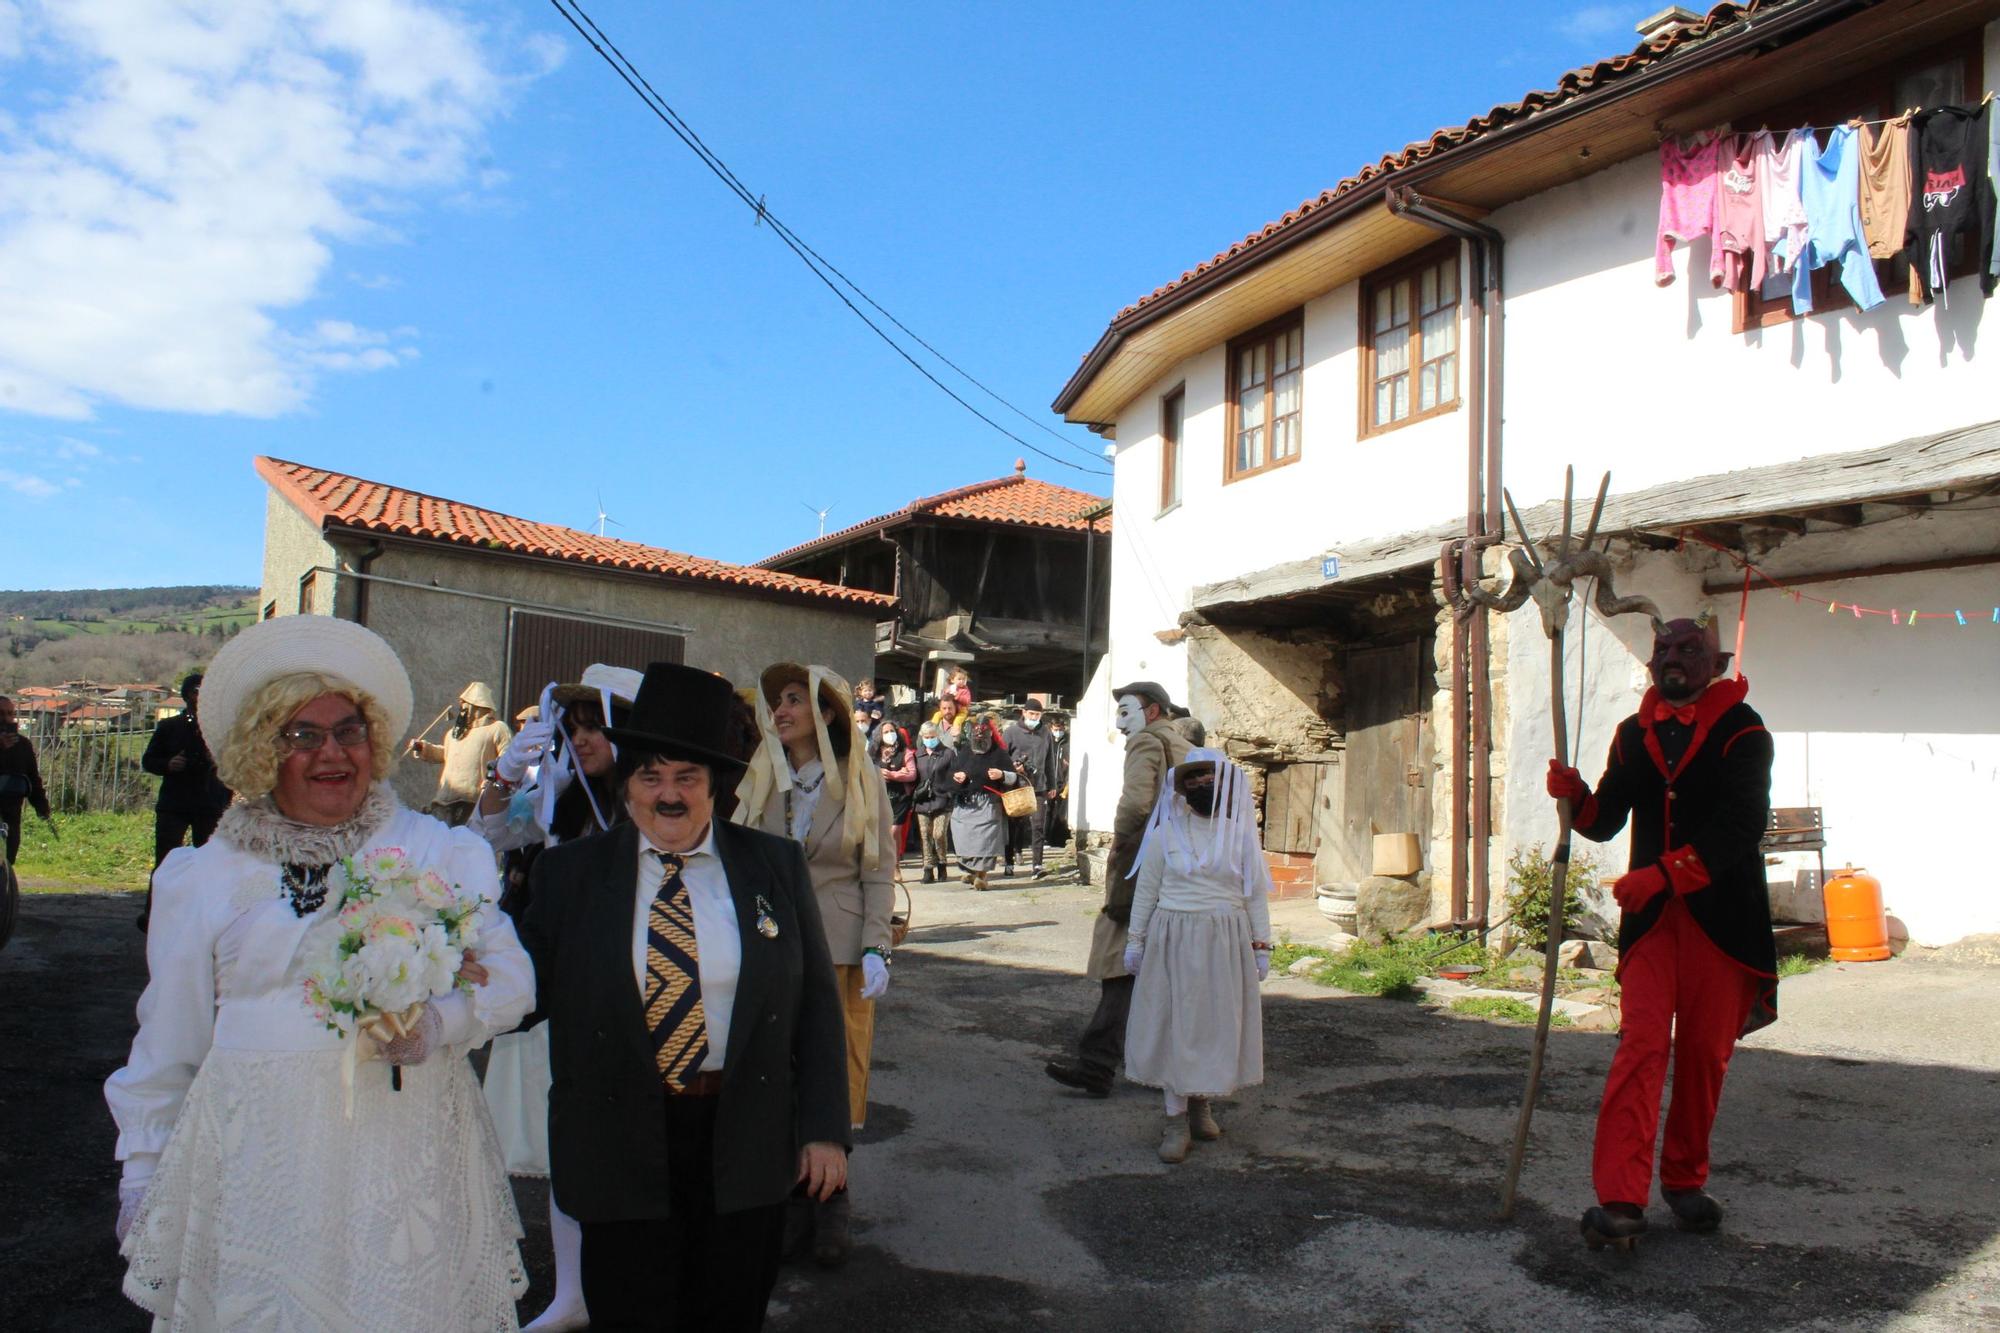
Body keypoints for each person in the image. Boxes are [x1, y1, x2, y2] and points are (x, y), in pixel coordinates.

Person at [105, 615, 535, 1329]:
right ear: (261, 748)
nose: (332, 752)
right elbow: (167, 1046)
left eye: (349, 731)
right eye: (303, 734)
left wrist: (437, 1023)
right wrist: (143, 1171)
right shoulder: (204, 874)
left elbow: (513, 979)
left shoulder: (433, 849)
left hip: (402, 1163)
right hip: (256, 1167)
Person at [519, 661, 849, 1330]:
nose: (668, 795)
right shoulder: (568, 875)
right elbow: (517, 993)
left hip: (745, 1138)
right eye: (650, 776)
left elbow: (816, 1004)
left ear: (714, 785)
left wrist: (822, 1128)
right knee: (631, 1314)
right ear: (629, 783)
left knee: (728, 1313)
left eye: (686, 778)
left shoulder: (773, 865)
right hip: (616, 1142)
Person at [1547, 615, 1777, 1250]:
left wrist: (1667, 875)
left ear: (1716, 661)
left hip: (1722, 925)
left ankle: (1684, 1180)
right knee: (1640, 1049)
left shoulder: (1745, 731)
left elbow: (1741, 825)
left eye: (1687, 649)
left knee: (1704, 1058)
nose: (1671, 658)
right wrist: (1577, 797)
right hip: (1652, 930)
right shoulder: (1632, 732)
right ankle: (1621, 1199)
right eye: (1663, 649)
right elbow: (1604, 821)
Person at [470, 663, 642, 1333]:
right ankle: (571, 1292)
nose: (581, 737)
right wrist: (508, 772)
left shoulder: (661, 796)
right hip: (565, 995)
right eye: (572, 726)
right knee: (567, 1146)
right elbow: (488, 829)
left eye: (593, 723)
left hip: (638, 1000)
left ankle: (629, 1285)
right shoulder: (560, 797)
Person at [734, 662, 894, 1267]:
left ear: (825, 713)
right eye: (776, 701)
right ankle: (793, 1198)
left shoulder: (858, 775)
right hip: (772, 943)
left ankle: (834, 1201)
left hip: (839, 941)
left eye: (794, 700)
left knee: (836, 1068)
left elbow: (877, 866)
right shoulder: (764, 777)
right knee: (778, 1065)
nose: (780, 710)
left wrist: (877, 944)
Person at [1045, 680, 1193, 1098]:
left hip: (1143, 871)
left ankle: (1097, 1064)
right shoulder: (1182, 745)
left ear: (1152, 712)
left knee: (1121, 966)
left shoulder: (1148, 742)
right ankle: (1167, 1067)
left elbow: (1135, 805)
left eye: (1127, 712)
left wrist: (1121, 854)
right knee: (1160, 971)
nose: (1121, 724)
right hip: (1177, 870)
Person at [1122, 752, 1272, 1163]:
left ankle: (1201, 1106)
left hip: (1224, 941)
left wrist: (1262, 945)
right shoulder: (1164, 836)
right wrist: (1136, 941)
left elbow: (1254, 895)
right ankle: (1174, 1120)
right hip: (1175, 937)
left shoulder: (1239, 837)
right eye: (1194, 780)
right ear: (1182, 789)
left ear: (1223, 788)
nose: (1202, 786)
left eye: (1210, 779)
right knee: (1177, 1026)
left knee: (1211, 1025)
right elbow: (1147, 891)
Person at [138, 672, 233, 930]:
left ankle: (206, 917)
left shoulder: (222, 730)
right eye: (194, 691)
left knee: (210, 862)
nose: (199, 696)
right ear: (186, 696)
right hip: (175, 803)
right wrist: (169, 764)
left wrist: (220, 764)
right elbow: (149, 761)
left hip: (210, 802)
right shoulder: (170, 727)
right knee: (166, 862)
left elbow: (239, 763)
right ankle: (154, 916)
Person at [407, 681, 512, 825]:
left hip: (473, 800)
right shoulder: (453, 734)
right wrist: (423, 748)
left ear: (478, 707)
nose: (462, 709)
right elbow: (444, 754)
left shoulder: (496, 729)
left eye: (466, 705)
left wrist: (494, 783)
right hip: (444, 799)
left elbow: (507, 757)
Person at [946, 713, 1020, 891]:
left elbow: (1014, 777)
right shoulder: (964, 752)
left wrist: (1002, 775)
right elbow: (951, 773)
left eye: (983, 734)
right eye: (976, 734)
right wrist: (958, 776)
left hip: (988, 805)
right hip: (965, 803)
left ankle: (981, 875)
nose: (979, 737)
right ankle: (971, 870)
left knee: (984, 842)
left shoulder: (999, 754)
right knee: (962, 837)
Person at [1000, 702, 1057, 880]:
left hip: (1038, 786)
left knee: (1038, 825)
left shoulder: (1046, 733)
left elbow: (1049, 760)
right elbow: (1001, 759)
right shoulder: (1011, 732)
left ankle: (1037, 865)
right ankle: (1009, 862)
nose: (1034, 718)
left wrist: (1052, 785)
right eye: (1031, 714)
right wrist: (1014, 767)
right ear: (1023, 713)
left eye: (1037, 715)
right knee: (1013, 825)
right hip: (1015, 786)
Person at [0, 696, 52, 867]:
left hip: (11, 809)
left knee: (8, 856)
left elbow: (33, 778)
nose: (6, 718)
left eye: (10, 714)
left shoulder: (23, 745)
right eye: (1, 713)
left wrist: (41, 806)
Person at [912, 720, 956, 884]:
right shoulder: (918, 755)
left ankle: (942, 863)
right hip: (923, 801)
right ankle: (927, 869)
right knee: (925, 836)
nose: (930, 739)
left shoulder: (948, 753)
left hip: (942, 800)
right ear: (922, 737)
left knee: (938, 834)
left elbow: (954, 776)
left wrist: (950, 794)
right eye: (926, 736)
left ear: (938, 736)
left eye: (933, 736)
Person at [873, 722, 917, 859]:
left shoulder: (905, 752)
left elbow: (912, 774)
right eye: (885, 732)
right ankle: (886, 861)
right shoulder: (874, 753)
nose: (889, 734)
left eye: (891, 731)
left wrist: (894, 775)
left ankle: (895, 863)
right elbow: (867, 770)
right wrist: (879, 772)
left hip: (900, 797)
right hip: (880, 795)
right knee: (883, 832)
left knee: (894, 830)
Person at [1045, 712, 1073, 850]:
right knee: (1047, 811)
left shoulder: (1068, 743)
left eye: (1061, 729)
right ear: (1051, 728)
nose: (1058, 732)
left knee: (1062, 812)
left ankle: (1060, 840)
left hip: (1063, 783)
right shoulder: (1046, 741)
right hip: (1048, 783)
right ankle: (1045, 839)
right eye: (1056, 729)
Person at [851, 678, 886, 748]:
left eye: (870, 690)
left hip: (874, 725)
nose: (868, 692)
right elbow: (858, 713)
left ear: (873, 691)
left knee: (873, 740)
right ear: (861, 692)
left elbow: (880, 711)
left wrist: (879, 713)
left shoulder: (876, 702)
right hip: (863, 725)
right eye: (865, 691)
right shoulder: (859, 703)